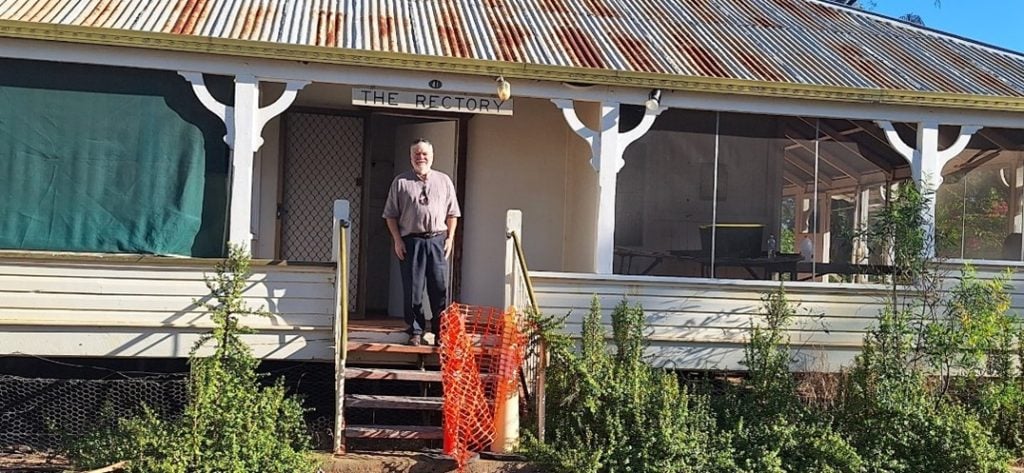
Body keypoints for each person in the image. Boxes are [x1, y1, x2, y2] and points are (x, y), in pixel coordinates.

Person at [383, 139, 461, 346]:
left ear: (432, 156)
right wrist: (397, 240)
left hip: (437, 240)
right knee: (413, 290)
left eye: (424, 154)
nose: (421, 157)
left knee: (439, 288)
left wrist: (450, 238)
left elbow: (453, 213)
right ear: (411, 157)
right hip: (411, 241)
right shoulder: (400, 182)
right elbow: (390, 215)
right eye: (417, 154)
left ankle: (440, 333)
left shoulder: (444, 181)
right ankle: (415, 331)